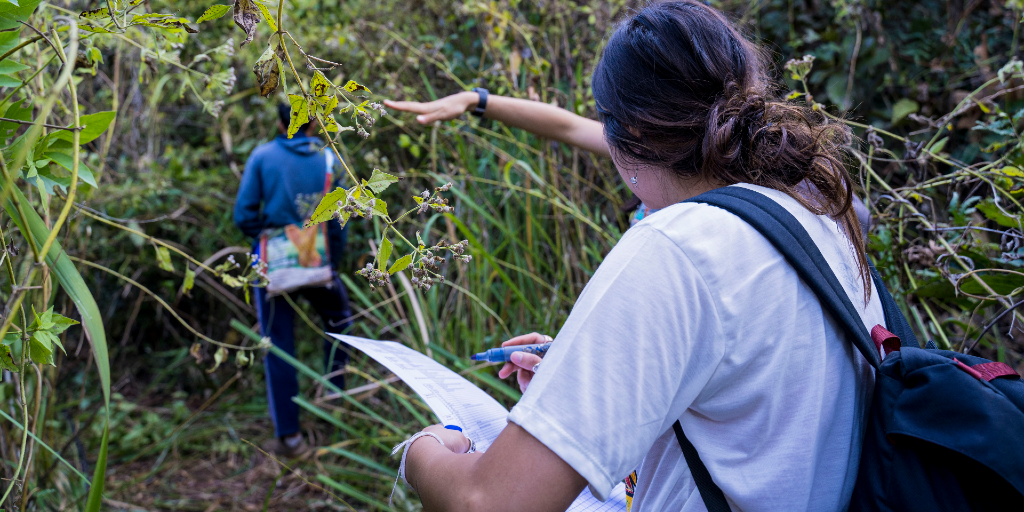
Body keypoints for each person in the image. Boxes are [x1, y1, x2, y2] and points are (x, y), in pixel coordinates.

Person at [383, 2, 884, 511]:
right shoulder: (819, 206)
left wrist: (424, 450)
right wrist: (597, 365)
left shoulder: (678, 245)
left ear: (634, 133)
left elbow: (485, 503)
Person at [233, 103, 353, 457]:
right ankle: (335, 402)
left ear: (279, 120)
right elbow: (338, 219)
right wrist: (334, 258)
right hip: (319, 263)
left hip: (274, 268)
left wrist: (270, 237)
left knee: (277, 344)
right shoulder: (329, 159)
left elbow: (243, 215)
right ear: (314, 121)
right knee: (340, 324)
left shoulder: (262, 156)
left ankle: (290, 437)